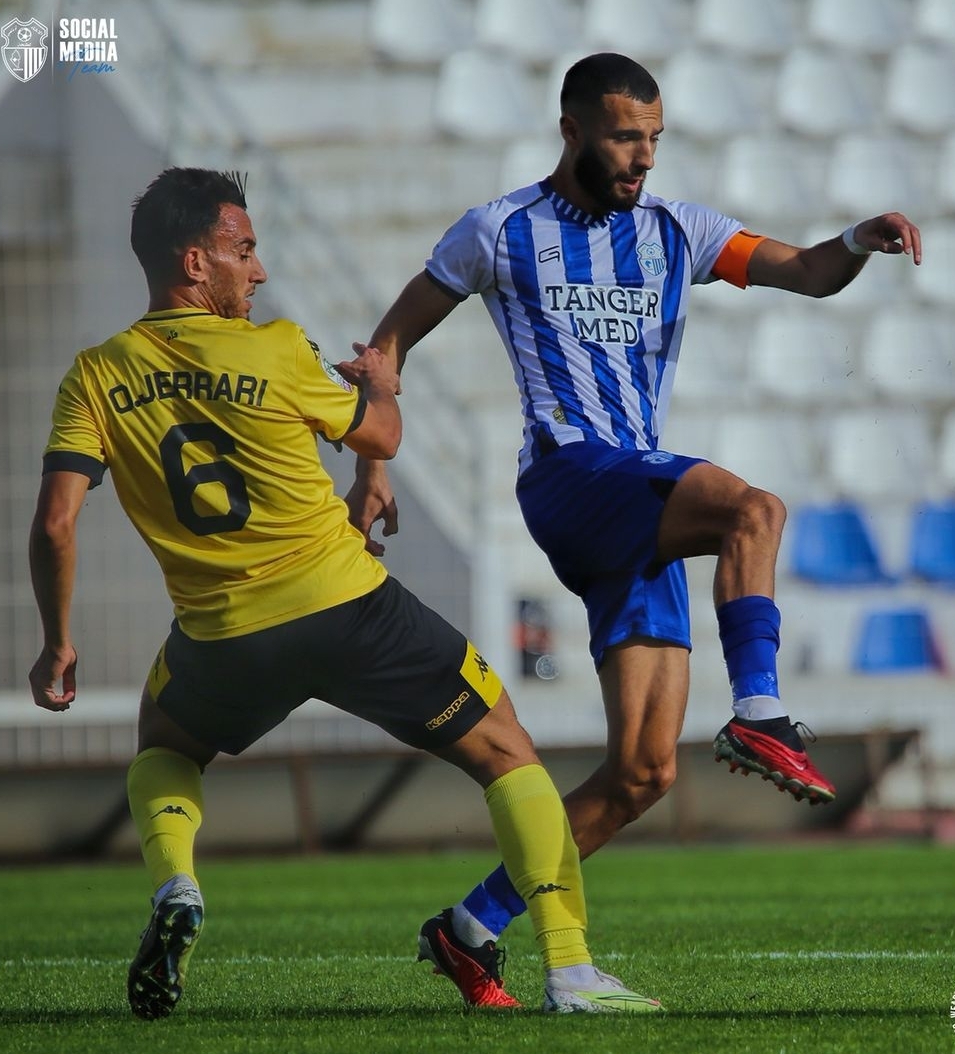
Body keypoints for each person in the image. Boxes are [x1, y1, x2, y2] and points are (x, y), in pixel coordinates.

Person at [349, 52, 924, 1007]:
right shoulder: (499, 231)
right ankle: (760, 710)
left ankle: (468, 928)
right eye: (624, 136)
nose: (642, 158)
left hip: (637, 501)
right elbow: (388, 344)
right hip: (573, 477)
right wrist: (372, 461)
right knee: (756, 510)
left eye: (653, 138)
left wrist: (860, 239)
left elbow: (812, 275)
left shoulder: (678, 232)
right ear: (571, 129)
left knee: (643, 773)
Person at [27, 167, 662, 1017]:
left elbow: (56, 526)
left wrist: (57, 641)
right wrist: (378, 384)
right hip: (349, 607)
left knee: (166, 749)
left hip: (220, 636)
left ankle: (177, 883)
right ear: (193, 262)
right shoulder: (277, 347)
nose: (257, 270)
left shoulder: (94, 376)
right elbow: (385, 434)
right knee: (509, 753)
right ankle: (572, 970)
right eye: (242, 251)